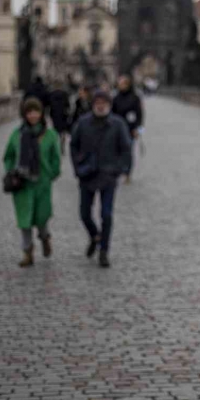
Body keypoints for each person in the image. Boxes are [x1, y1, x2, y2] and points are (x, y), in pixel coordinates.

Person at [70, 90, 131, 268]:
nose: (101, 105)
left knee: (106, 214)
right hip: (87, 174)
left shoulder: (118, 124)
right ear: (93, 104)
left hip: (108, 174)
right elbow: (74, 145)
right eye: (98, 102)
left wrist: (119, 169)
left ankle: (104, 250)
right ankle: (95, 236)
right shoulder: (83, 123)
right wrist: (77, 167)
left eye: (104, 102)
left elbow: (126, 149)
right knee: (84, 214)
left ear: (109, 105)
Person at [2, 98, 61, 267]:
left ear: (41, 113)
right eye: (29, 112)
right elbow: (9, 156)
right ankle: (27, 252)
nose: (33, 115)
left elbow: (55, 158)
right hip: (22, 183)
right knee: (25, 219)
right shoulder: (17, 134)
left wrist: (52, 174)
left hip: (42, 183)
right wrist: (11, 171)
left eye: (36, 111)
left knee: (41, 217)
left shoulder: (50, 135)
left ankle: (45, 237)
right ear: (24, 114)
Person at [111, 75, 143, 184]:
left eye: (124, 83)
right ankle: (119, 170)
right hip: (117, 129)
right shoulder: (115, 98)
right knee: (117, 151)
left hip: (130, 129)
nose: (122, 86)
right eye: (120, 83)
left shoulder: (135, 97)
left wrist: (139, 130)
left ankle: (127, 173)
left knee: (128, 151)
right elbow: (112, 114)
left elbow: (140, 115)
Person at [47, 81, 71, 155]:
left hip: (55, 115)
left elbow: (49, 105)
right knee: (63, 132)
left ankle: (56, 147)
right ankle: (62, 146)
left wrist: (50, 115)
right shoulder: (65, 94)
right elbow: (68, 105)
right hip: (63, 115)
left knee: (55, 132)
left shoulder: (52, 94)